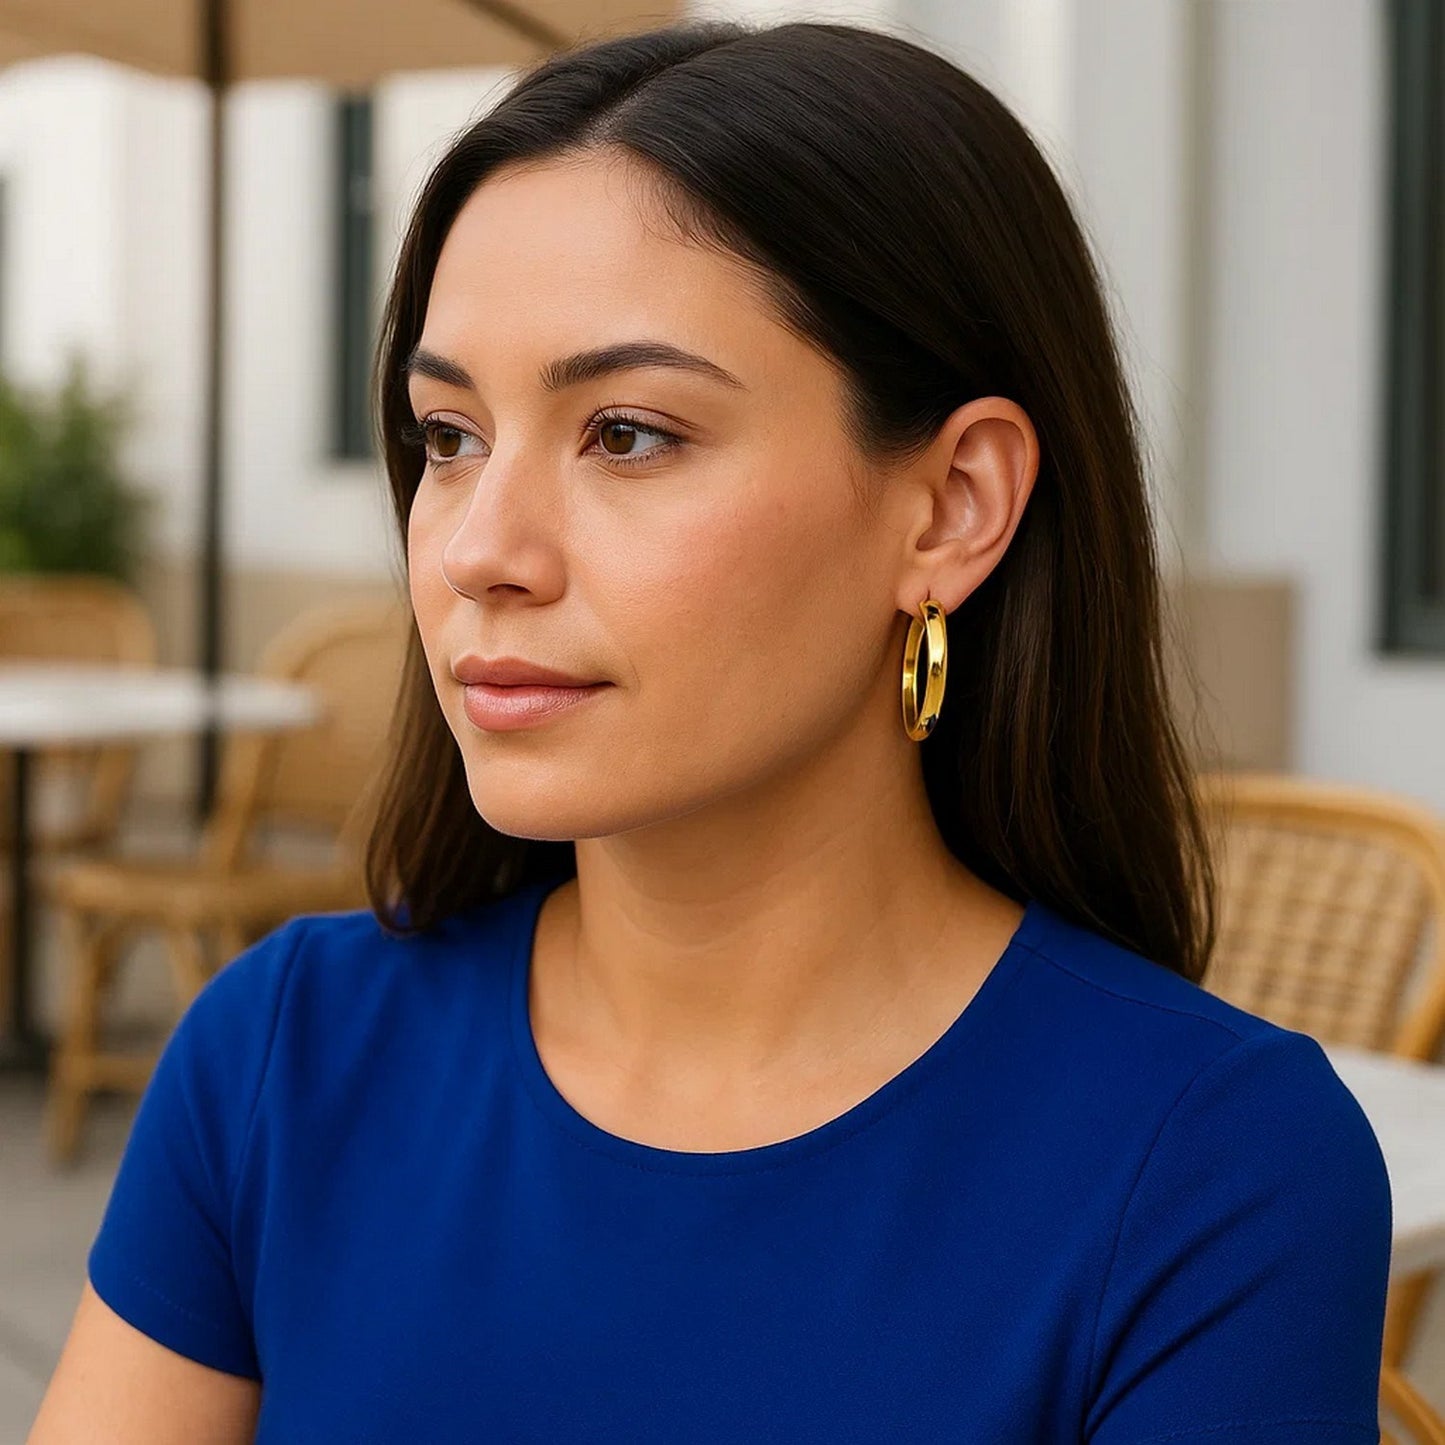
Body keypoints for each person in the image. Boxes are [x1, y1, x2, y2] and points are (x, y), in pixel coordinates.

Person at [29, 17, 1391, 1444]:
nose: (480, 550)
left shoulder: (1211, 1172)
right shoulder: (283, 1058)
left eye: (626, 432)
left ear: (952, 506)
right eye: (448, 436)